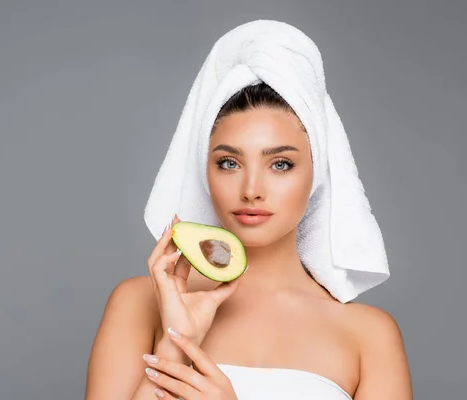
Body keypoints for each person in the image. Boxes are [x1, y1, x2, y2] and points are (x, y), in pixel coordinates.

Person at [85, 23, 412, 400]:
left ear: (317, 173)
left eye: (281, 164)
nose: (251, 190)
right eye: (228, 163)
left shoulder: (369, 335)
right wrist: (177, 343)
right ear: (204, 171)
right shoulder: (140, 302)